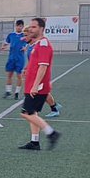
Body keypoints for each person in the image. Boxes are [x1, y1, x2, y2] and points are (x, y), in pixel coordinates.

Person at [18, 18, 62, 151]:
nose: (31, 29)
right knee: (33, 113)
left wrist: (36, 85)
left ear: (41, 29)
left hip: (37, 87)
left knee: (26, 113)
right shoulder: (37, 44)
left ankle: (51, 133)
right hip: (33, 85)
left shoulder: (43, 44)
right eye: (30, 27)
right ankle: (34, 142)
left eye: (34, 27)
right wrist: (27, 70)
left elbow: (43, 66)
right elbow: (36, 63)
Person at [2, 20, 28, 100]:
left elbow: (29, 43)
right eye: (18, 26)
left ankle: (17, 93)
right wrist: (4, 46)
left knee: (19, 76)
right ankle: (8, 91)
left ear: (22, 27)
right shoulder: (11, 35)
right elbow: (6, 42)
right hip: (11, 58)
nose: (19, 27)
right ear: (15, 26)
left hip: (19, 59)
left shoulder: (24, 35)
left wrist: (25, 47)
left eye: (20, 26)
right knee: (9, 75)